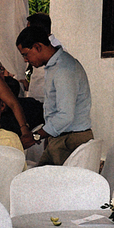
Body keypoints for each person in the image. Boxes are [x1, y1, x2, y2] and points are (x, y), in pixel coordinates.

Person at [17, 25, 92, 165]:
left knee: (57, 185)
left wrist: (36, 137)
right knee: (37, 179)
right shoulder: (54, 67)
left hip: (71, 140)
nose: (25, 60)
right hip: (59, 138)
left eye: (26, 54)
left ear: (38, 47)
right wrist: (48, 136)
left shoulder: (64, 69)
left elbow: (65, 116)